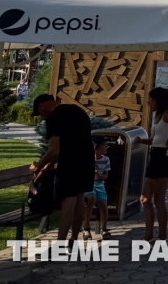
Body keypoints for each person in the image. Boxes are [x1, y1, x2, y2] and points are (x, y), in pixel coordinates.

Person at [30, 94, 94, 242]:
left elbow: (55, 151)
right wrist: (44, 169)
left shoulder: (53, 118)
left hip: (70, 162)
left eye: (39, 111)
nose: (41, 115)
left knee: (68, 203)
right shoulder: (78, 111)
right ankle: (73, 239)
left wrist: (38, 166)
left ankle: (60, 244)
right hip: (86, 160)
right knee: (79, 200)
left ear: (42, 105)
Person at [134, 87, 168, 241]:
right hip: (155, 154)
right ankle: (148, 234)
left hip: (164, 156)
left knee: (158, 199)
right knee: (145, 199)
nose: (148, 102)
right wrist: (142, 141)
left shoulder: (167, 113)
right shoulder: (157, 116)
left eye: (150, 99)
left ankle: (161, 235)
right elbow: (156, 140)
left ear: (157, 100)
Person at [82, 137, 112, 239]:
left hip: (100, 184)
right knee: (91, 198)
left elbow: (105, 176)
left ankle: (104, 228)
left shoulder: (106, 159)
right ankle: (86, 228)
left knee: (103, 204)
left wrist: (97, 174)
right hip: (88, 184)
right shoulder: (86, 159)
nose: (106, 147)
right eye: (104, 145)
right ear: (96, 147)